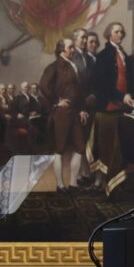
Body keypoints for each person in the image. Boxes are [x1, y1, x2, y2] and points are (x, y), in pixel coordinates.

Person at [39, 38, 89, 192]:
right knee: (59, 149)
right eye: (70, 47)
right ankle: (60, 185)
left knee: (80, 147)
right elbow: (43, 86)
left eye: (73, 47)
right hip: (61, 113)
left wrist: (81, 108)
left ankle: (73, 183)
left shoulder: (73, 65)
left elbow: (78, 91)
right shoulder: (54, 67)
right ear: (62, 50)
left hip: (74, 112)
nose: (73, 50)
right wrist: (56, 102)